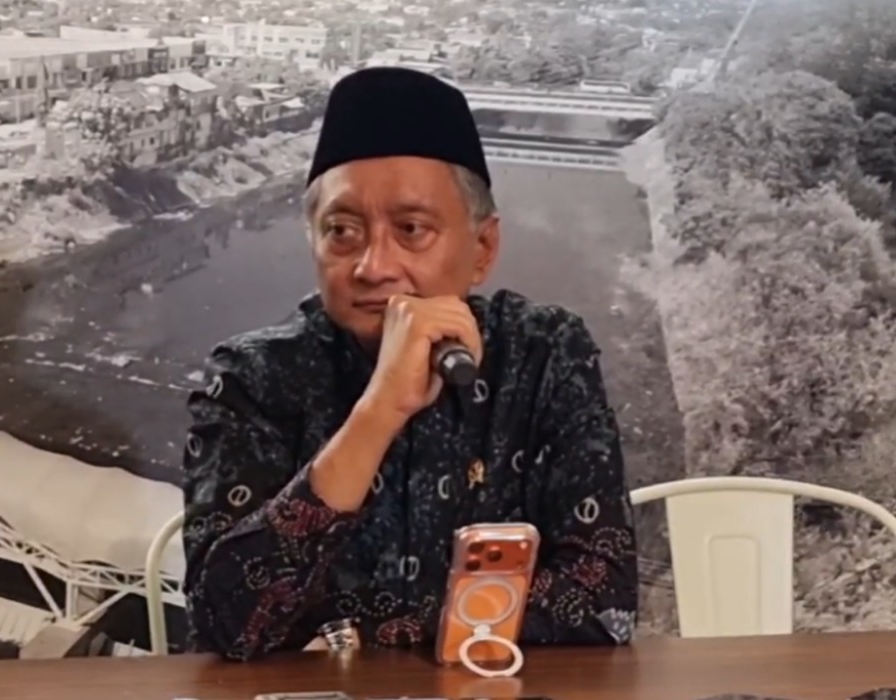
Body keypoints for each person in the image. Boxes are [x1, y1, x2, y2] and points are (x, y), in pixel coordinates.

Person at [180, 66, 638, 661]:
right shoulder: (252, 377)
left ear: (482, 249)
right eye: (341, 231)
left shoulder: (545, 353)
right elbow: (225, 627)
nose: (373, 266)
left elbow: (605, 601)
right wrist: (377, 413)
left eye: (412, 229)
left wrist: (369, 635)